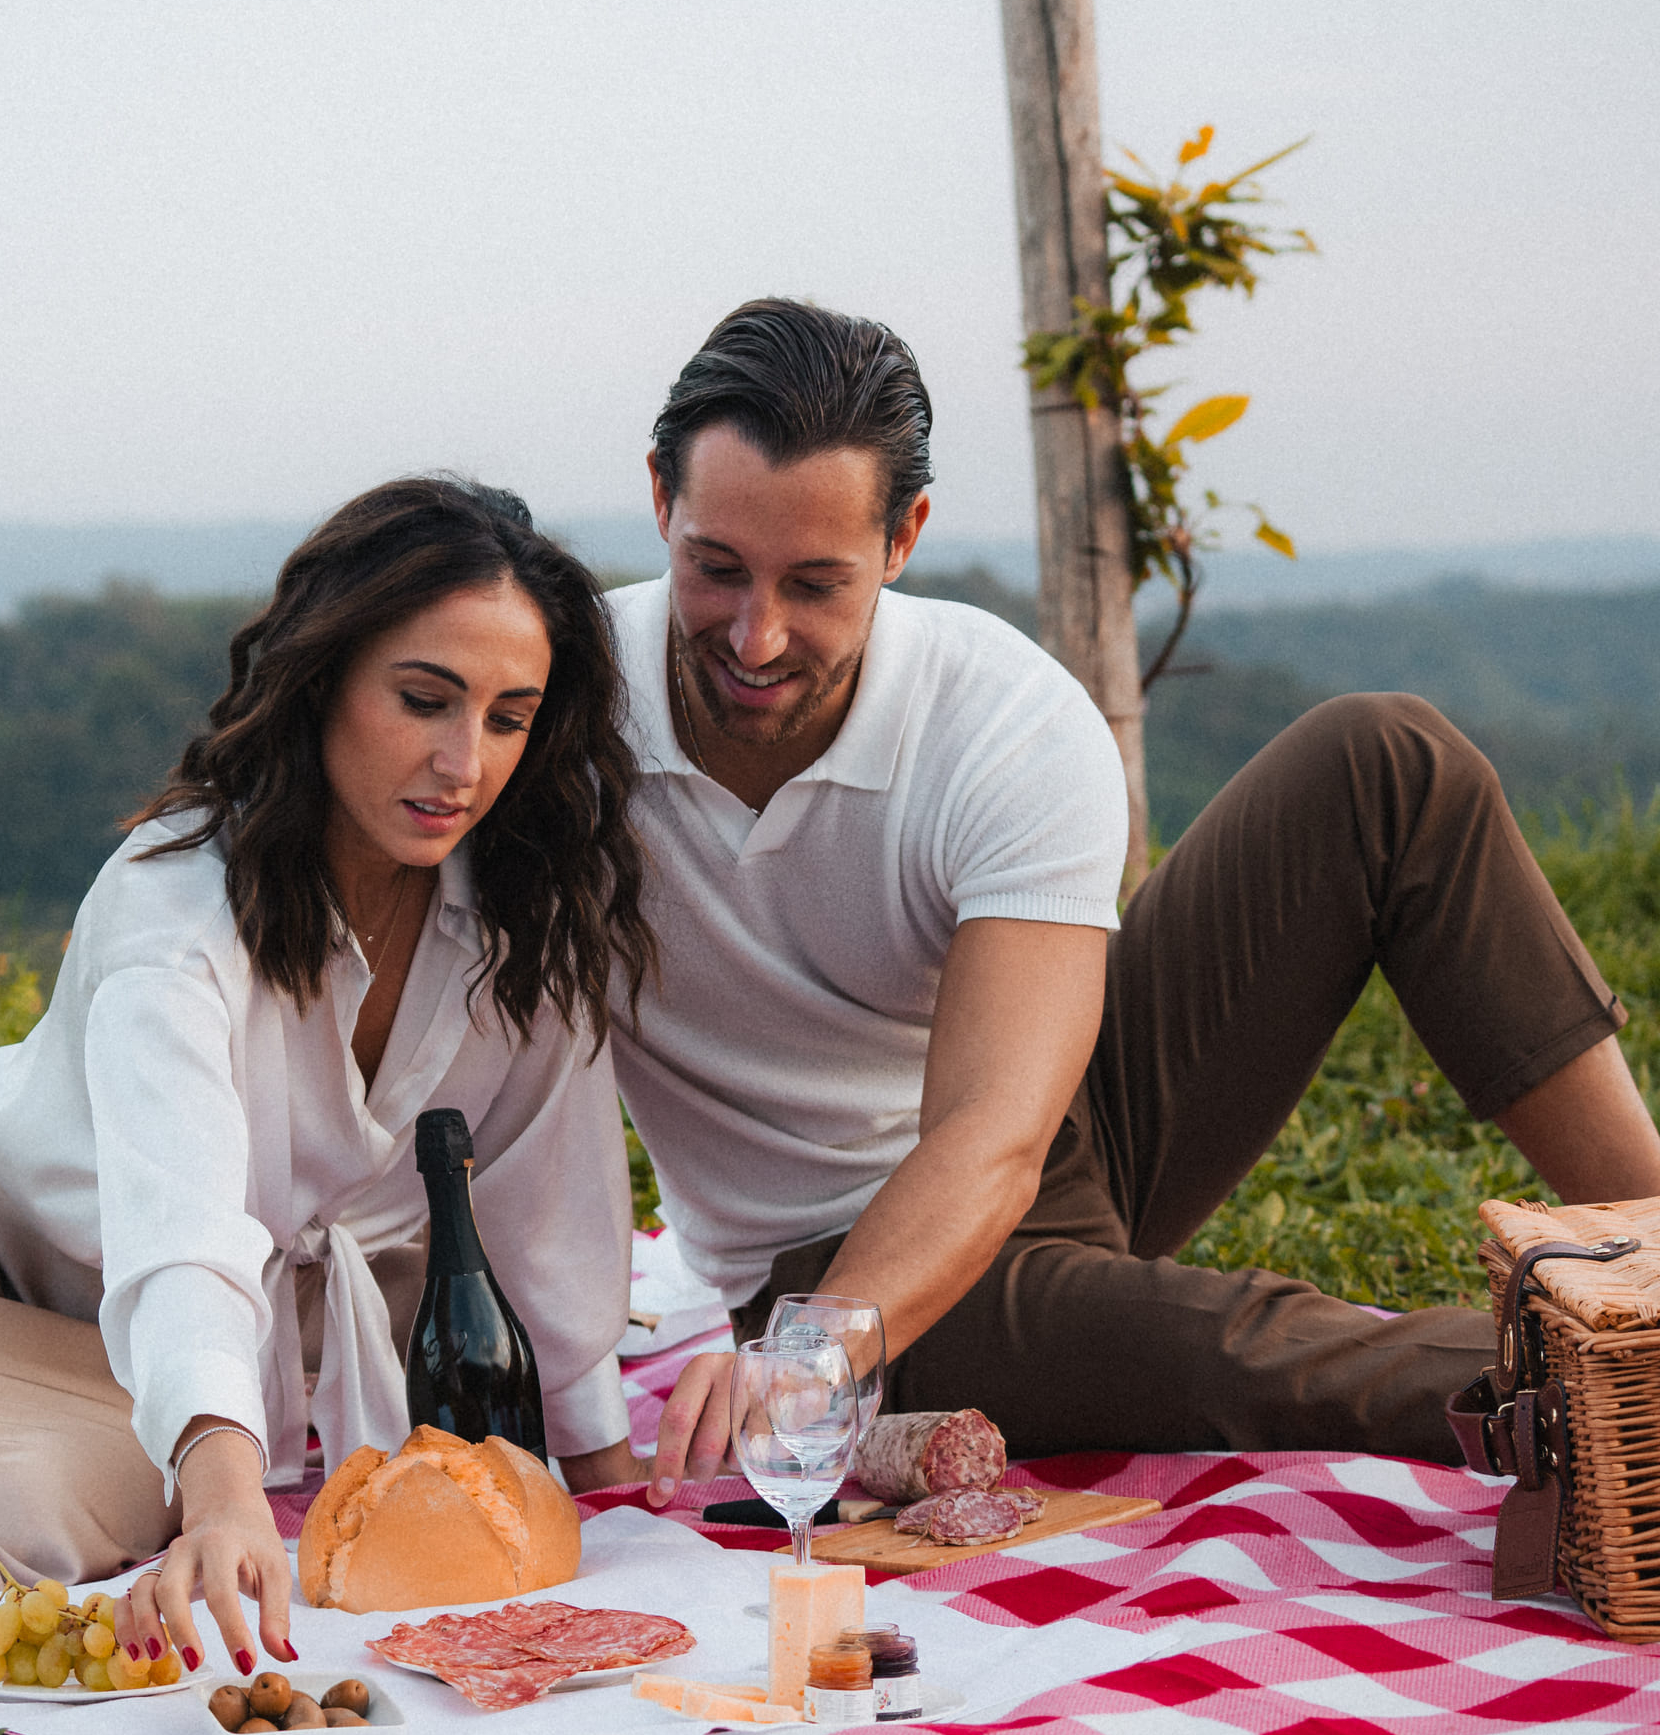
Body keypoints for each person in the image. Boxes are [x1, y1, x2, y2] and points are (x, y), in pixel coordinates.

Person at [614, 298, 1660, 1507]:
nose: (755, 635)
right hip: (828, 1280)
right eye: (715, 569)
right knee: (1249, 1349)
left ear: (903, 538)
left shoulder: (999, 717)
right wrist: (796, 1355)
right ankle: (1612, 1381)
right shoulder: (555, 725)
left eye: (814, 583)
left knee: (1384, 762)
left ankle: (1637, 1258)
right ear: (659, 501)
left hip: (1027, 1137)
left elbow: (998, 1134)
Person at [0, 476, 656, 1669]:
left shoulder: (520, 902)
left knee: (94, 1483)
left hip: (203, 1341)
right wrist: (228, 1492)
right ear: (325, 676)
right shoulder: (175, 904)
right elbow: (181, 1231)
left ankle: (160, 1444)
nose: (462, 760)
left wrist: (604, 1492)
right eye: (424, 699)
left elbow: (549, 1214)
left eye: (508, 716)